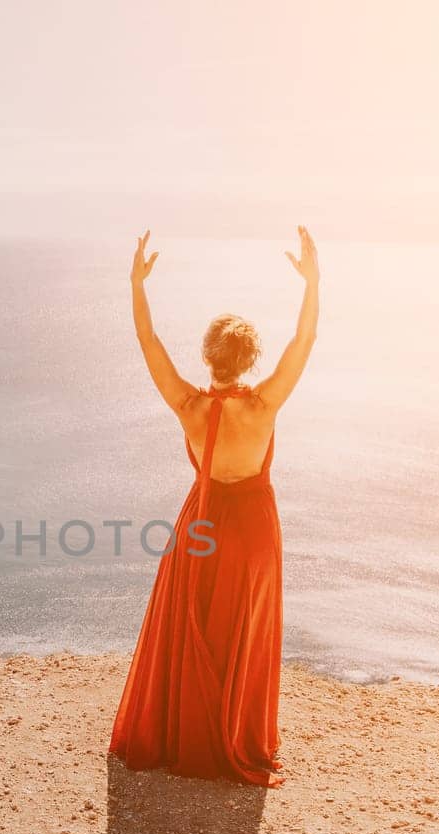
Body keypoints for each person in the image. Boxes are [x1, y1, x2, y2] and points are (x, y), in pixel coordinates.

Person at [109, 227, 320, 787]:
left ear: (207, 356)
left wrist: (137, 284)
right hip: (251, 525)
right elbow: (304, 343)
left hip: (200, 520)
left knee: (191, 627)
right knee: (242, 632)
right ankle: (234, 736)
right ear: (251, 358)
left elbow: (148, 342)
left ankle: (183, 735)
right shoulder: (263, 405)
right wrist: (312, 282)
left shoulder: (188, 406)